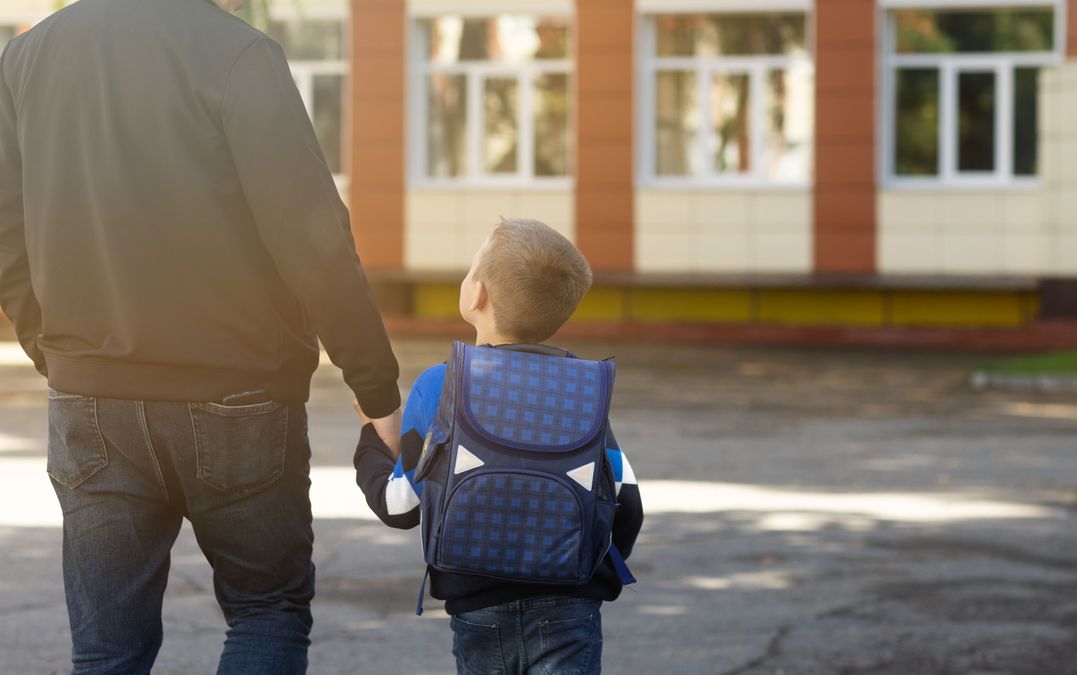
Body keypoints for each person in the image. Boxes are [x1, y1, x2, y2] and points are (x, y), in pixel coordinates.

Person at [0, 0, 404, 672]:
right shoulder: (238, 52)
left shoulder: (26, 57)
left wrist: (57, 351)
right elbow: (314, 242)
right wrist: (377, 393)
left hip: (90, 397)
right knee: (267, 612)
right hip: (239, 394)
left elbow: (6, 231)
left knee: (105, 650)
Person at [354, 218, 644, 675]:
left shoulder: (441, 384)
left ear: (477, 294)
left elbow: (400, 505)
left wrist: (371, 442)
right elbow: (627, 504)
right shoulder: (583, 390)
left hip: (478, 609)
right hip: (570, 606)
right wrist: (585, 575)